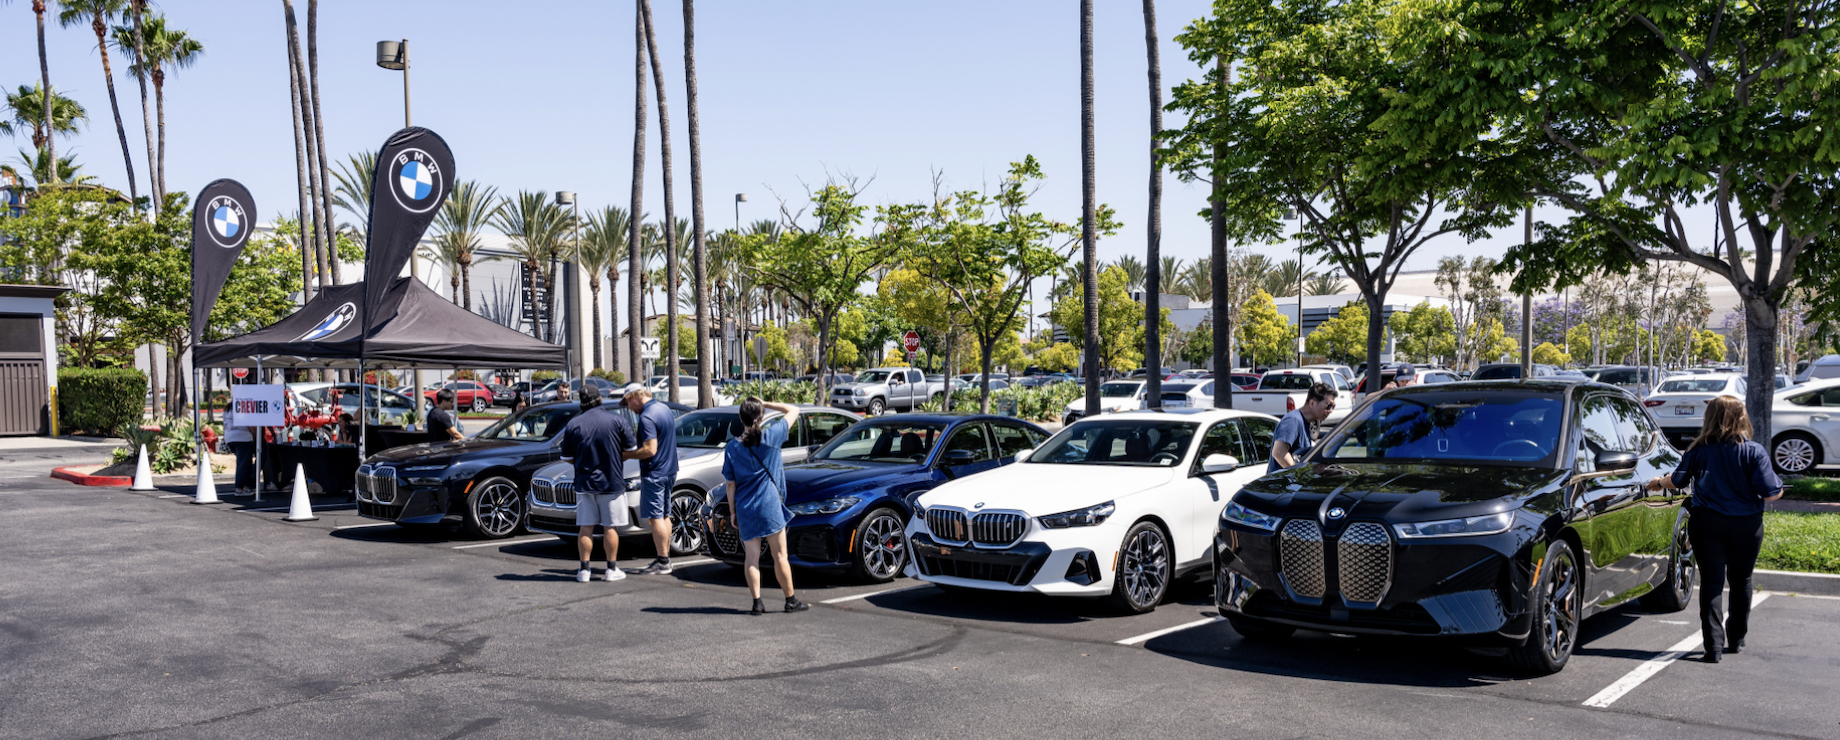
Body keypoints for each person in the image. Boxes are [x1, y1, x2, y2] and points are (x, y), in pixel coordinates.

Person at [1644, 396, 1783, 663]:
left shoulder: (1698, 450)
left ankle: (1713, 647)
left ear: (1710, 418)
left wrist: (1658, 482)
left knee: (1712, 583)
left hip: (1707, 523)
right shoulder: (1754, 451)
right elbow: (1771, 493)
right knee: (1741, 581)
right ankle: (1737, 638)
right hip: (1747, 525)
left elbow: (1678, 480)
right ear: (1742, 418)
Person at [720, 398, 810, 614]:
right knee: (780, 555)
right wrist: (767, 403)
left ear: (740, 418)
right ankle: (790, 600)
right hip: (770, 504)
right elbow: (794, 409)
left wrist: (732, 511)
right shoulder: (771, 436)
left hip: (745, 507)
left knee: (751, 557)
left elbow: (730, 485)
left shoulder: (732, 448)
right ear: (760, 418)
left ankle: (757, 603)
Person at [558, 386, 638, 583]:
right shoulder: (617, 420)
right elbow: (632, 448)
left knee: (586, 528)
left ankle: (584, 570)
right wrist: (615, 458)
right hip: (611, 481)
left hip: (584, 482)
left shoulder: (573, 424)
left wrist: (581, 462)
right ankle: (611, 568)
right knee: (610, 527)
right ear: (600, 399)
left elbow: (566, 456)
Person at [622, 383, 679, 575]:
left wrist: (627, 455)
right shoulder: (663, 409)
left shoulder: (647, 417)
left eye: (628, 402)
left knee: (656, 517)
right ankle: (665, 557)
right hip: (670, 470)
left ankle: (663, 560)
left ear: (635, 397)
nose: (629, 407)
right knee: (664, 515)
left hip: (654, 472)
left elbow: (650, 449)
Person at [1269, 382, 1336, 474]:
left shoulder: (1305, 423)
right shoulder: (1293, 420)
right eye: (1328, 406)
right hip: (1281, 486)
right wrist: (1299, 475)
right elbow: (1279, 453)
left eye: (1333, 406)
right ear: (1312, 403)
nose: (1331, 410)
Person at [222, 399, 255, 495]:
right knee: (244, 464)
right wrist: (254, 436)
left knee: (243, 463)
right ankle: (240, 487)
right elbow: (251, 426)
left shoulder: (228, 409)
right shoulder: (243, 408)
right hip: (243, 437)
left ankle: (244, 486)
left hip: (230, 437)